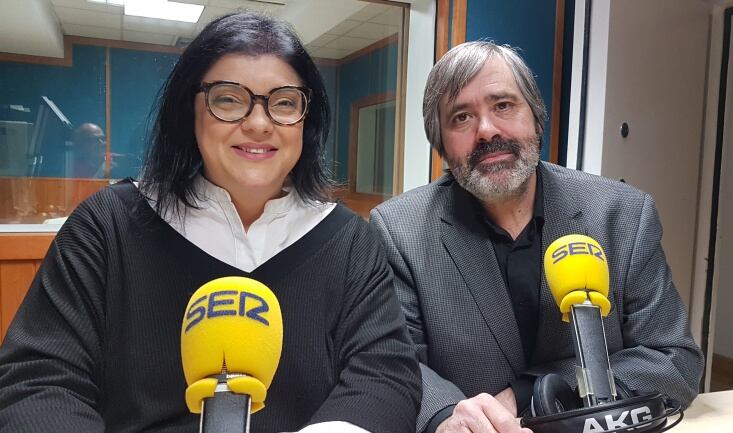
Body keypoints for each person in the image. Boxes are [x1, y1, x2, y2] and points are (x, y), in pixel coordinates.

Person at [0, 12, 420, 433]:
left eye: (285, 102)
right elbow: (39, 378)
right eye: (228, 98)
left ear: (306, 121)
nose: (259, 123)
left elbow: (384, 374)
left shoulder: (349, 241)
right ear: (191, 111)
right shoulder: (108, 226)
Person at [369, 41, 704, 433]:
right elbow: (393, 363)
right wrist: (448, 416)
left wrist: (533, 393)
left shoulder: (623, 214)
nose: (487, 130)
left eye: (504, 105)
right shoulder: (397, 230)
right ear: (440, 143)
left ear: (536, 117)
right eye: (461, 117)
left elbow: (674, 360)